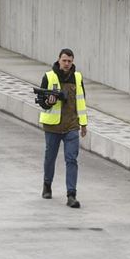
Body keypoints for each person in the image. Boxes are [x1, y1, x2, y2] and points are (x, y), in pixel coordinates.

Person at [38, 48, 88, 208]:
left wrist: (84, 123)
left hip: (72, 125)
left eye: (69, 61)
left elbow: (81, 101)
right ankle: (47, 185)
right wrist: (50, 101)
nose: (67, 63)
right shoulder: (49, 77)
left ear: (72, 62)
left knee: (71, 159)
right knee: (50, 157)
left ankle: (71, 195)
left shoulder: (77, 77)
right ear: (59, 60)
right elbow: (41, 102)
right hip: (53, 126)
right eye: (64, 60)